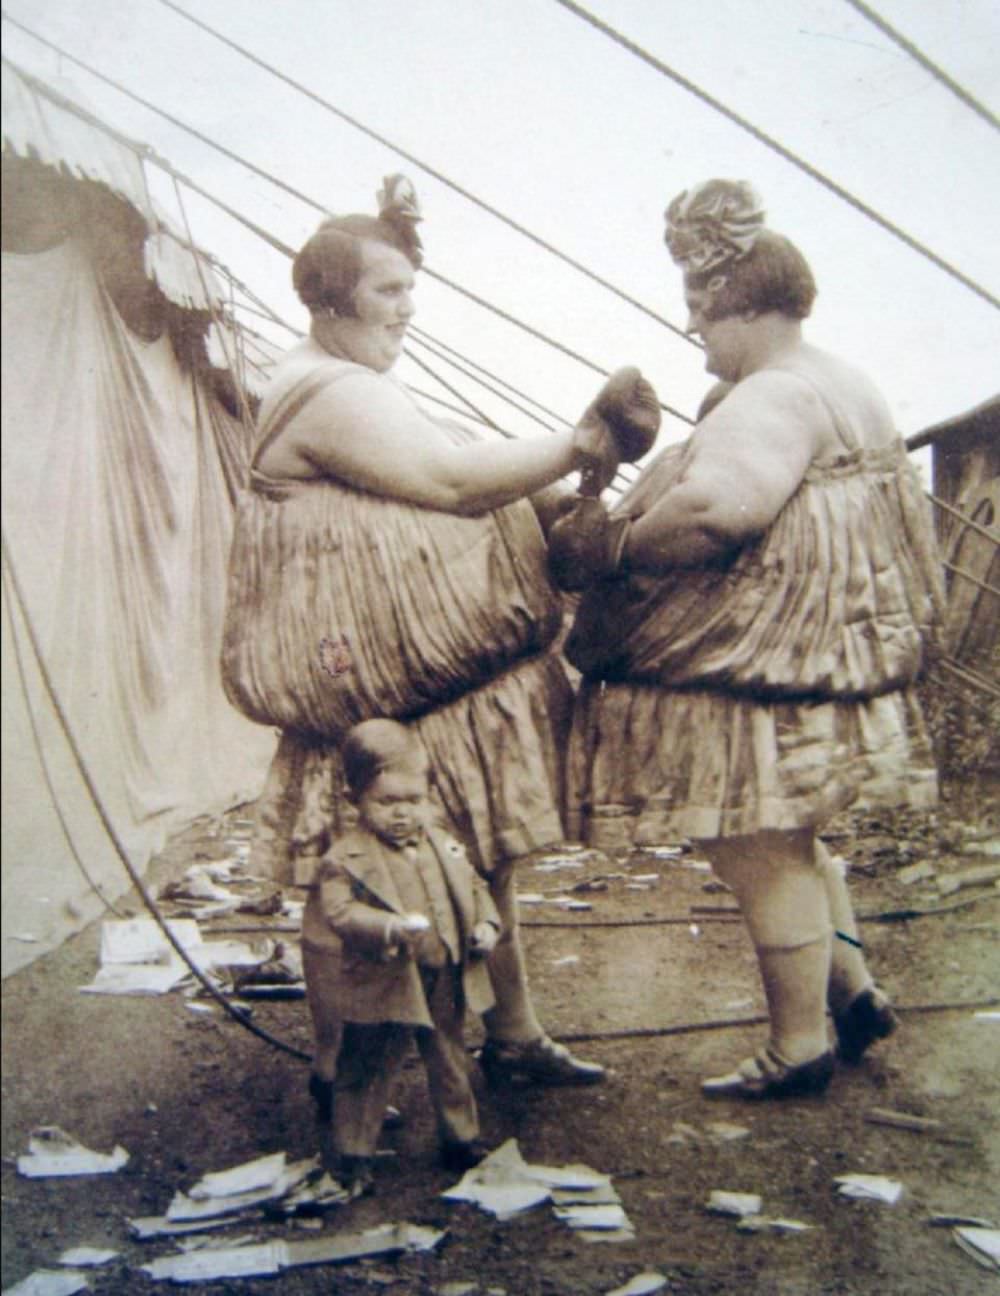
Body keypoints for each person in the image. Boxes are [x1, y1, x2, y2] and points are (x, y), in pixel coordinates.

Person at [221, 175, 660, 1102]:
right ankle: (373, 1077)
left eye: (412, 293)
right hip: (385, 705)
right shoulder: (321, 392)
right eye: (389, 293)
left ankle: (512, 1035)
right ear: (330, 298)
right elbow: (450, 482)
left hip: (426, 700)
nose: (407, 314)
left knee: (476, 870)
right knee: (396, 885)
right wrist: (581, 445)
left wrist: (555, 501)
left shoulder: (350, 384)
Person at [548, 179, 944, 1098]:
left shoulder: (774, 395)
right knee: (795, 840)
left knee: (758, 848)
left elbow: (720, 511)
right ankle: (852, 992)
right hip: (820, 662)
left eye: (700, 309)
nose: (694, 332)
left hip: (758, 671)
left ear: (739, 304)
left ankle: (797, 1046)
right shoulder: (843, 378)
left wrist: (612, 544)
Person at [301, 719, 500, 1196]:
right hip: (386, 976)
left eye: (414, 801)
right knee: (367, 1064)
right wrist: (388, 926)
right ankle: (353, 1155)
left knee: (450, 1056)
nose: (402, 815)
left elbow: (473, 887)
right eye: (386, 803)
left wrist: (487, 925)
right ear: (356, 802)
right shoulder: (346, 857)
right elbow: (340, 913)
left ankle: (461, 1138)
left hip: (444, 972)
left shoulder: (443, 844)